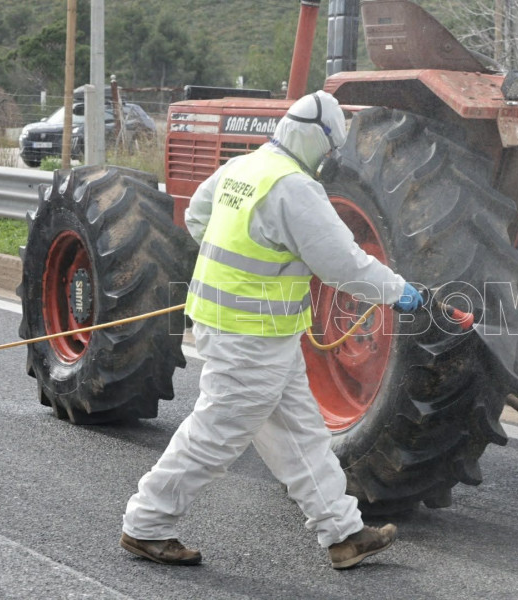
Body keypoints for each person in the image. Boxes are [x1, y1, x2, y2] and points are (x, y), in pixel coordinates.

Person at [120, 90, 424, 569]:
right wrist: (397, 291)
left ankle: (343, 533)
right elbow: (343, 264)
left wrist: (246, 265)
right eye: (328, 149)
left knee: (301, 434)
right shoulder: (294, 188)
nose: (327, 160)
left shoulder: (242, 169)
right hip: (248, 333)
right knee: (216, 433)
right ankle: (147, 524)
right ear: (315, 139)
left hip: (251, 329)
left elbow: (200, 217)